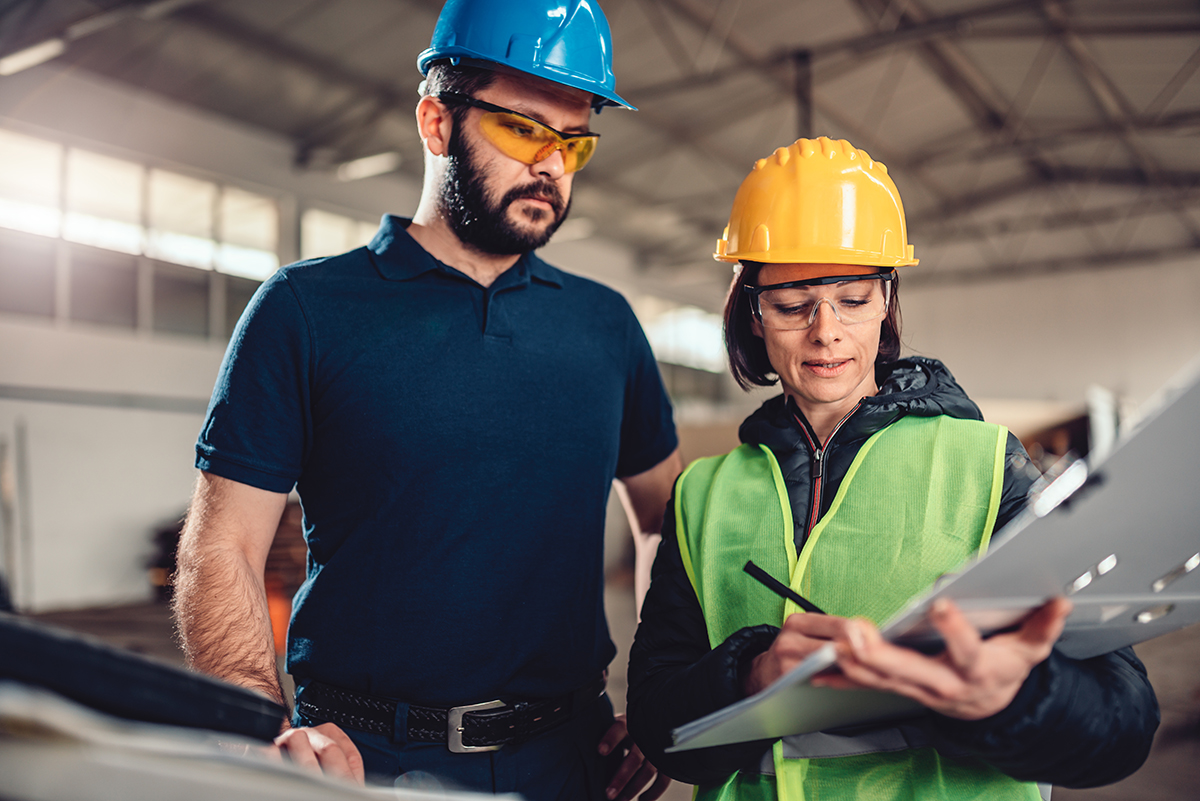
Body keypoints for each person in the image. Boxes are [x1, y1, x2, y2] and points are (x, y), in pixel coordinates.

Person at [173, 2, 681, 799]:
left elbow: (662, 520)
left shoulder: (605, 325)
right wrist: (259, 728)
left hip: (572, 761)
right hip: (365, 763)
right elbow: (223, 546)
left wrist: (661, 692)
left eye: (574, 141)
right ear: (436, 121)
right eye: (523, 130)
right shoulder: (306, 311)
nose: (552, 165)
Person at [626, 136, 1159, 800]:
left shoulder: (988, 467)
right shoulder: (703, 495)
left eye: (852, 298)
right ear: (752, 312)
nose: (827, 331)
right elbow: (655, 719)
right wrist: (751, 674)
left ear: (887, 301)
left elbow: (1124, 719)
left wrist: (1017, 697)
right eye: (794, 305)